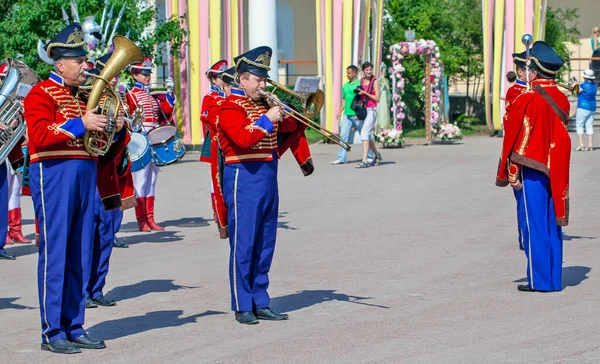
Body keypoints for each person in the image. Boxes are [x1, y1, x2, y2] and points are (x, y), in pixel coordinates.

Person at [24, 23, 126, 353]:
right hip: (54, 176)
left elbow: (101, 148)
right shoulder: (40, 94)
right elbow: (39, 135)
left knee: (80, 252)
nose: (86, 66)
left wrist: (117, 129)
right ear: (60, 64)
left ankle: (75, 323)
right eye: (79, 61)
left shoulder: (85, 97)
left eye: (85, 60)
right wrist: (81, 123)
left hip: (85, 175)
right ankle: (52, 331)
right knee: (56, 254)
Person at [218, 46, 302, 325]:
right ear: (242, 79)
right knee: (244, 243)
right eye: (257, 79)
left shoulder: (264, 105)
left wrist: (288, 112)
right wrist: (268, 118)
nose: (263, 85)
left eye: (264, 79)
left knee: (266, 242)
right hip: (243, 175)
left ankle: (260, 299)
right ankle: (243, 304)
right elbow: (243, 139)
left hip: (267, 174)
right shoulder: (229, 106)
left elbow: (289, 132)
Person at [496, 40, 571, 293]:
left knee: (535, 223)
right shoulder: (562, 97)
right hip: (556, 168)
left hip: (532, 168)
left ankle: (539, 282)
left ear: (535, 71)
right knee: (551, 224)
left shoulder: (528, 98)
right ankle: (553, 278)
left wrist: (512, 171)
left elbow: (517, 138)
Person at [127, 57, 175, 232]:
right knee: (141, 180)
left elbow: (165, 113)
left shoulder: (151, 96)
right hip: (140, 139)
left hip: (154, 137)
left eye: (148, 73)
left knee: (152, 180)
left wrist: (170, 94)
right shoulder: (130, 94)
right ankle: (141, 220)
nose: (147, 76)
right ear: (135, 74)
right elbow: (127, 118)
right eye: (143, 73)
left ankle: (150, 218)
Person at [503, 52, 528, 251]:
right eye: (531, 70)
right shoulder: (515, 92)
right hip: (521, 152)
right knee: (522, 200)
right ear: (521, 71)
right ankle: (524, 236)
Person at [200, 60, 228, 229]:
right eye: (220, 77)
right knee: (215, 178)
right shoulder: (209, 98)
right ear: (213, 79)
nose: (223, 80)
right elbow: (205, 118)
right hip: (216, 140)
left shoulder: (228, 95)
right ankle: (217, 211)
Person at [331, 65, 373, 165]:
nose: (347, 75)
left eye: (349, 73)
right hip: (347, 115)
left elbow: (363, 98)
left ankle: (370, 156)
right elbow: (344, 99)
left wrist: (361, 111)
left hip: (357, 115)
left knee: (364, 135)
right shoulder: (345, 85)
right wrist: (340, 111)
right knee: (343, 136)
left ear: (354, 73)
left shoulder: (359, 84)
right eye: (347, 73)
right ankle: (342, 158)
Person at [355, 62, 382, 168]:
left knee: (364, 134)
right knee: (367, 136)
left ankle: (364, 160)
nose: (369, 71)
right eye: (367, 70)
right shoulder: (361, 81)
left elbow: (377, 99)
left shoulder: (374, 82)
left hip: (371, 110)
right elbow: (360, 98)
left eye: (370, 69)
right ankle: (377, 155)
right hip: (363, 110)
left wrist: (365, 93)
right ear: (363, 71)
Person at [575, 69, 598, 151]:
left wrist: (576, 83)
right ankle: (590, 145)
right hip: (592, 107)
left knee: (579, 125)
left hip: (583, 106)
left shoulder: (583, 85)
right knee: (589, 125)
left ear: (584, 77)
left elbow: (575, 92)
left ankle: (581, 144)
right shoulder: (594, 85)